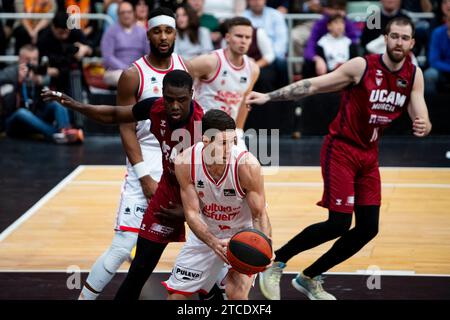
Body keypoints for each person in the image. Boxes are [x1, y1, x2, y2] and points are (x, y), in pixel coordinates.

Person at [246, 17, 432, 300]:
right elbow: (313, 85)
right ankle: (275, 262)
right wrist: (269, 97)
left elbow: (421, 114)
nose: (399, 42)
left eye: (405, 38)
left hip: (369, 156)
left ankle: (309, 277)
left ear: (412, 43)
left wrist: (424, 125)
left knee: (368, 228)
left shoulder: (413, 74)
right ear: (385, 37)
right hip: (341, 149)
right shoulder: (362, 66)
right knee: (339, 223)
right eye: (394, 36)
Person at [41, 70, 206, 300]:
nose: (175, 106)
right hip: (168, 191)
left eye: (181, 100)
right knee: (139, 269)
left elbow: (216, 182)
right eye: (169, 99)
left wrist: (190, 213)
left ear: (192, 94)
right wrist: (74, 104)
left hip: (201, 197)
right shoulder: (155, 107)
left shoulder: (204, 128)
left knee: (212, 279)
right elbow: (112, 114)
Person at [77, 7, 187, 300]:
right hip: (146, 159)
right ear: (147, 34)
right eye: (156, 31)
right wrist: (143, 176)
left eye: (168, 31)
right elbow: (125, 127)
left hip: (177, 162)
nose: (163, 37)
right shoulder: (132, 74)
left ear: (175, 34)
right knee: (124, 244)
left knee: (202, 238)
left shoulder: (184, 68)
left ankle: (221, 295)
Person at [163, 109, 272, 300]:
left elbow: (259, 214)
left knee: (236, 294)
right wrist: (214, 243)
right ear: (206, 142)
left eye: (233, 142)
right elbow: (192, 214)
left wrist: (266, 246)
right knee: (176, 298)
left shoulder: (247, 166)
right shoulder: (185, 162)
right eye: (223, 143)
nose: (229, 148)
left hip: (243, 235)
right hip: (207, 233)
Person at [185, 16, 260, 149]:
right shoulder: (210, 61)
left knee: (249, 167)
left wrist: (239, 131)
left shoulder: (253, 69)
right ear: (227, 37)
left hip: (229, 131)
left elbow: (245, 103)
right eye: (239, 36)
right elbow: (179, 77)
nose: (243, 41)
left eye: (247, 37)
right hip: (202, 129)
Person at [1, 44, 82, 143]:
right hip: (14, 121)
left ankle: (64, 130)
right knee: (22, 113)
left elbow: (44, 103)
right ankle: (62, 135)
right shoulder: (9, 73)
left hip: (35, 118)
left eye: (34, 59)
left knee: (57, 103)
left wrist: (40, 84)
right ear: (20, 59)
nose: (31, 63)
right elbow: (8, 106)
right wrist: (19, 82)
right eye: (27, 59)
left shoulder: (39, 73)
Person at [100, 1, 149, 86]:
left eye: (129, 12)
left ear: (133, 13)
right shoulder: (111, 32)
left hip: (139, 69)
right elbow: (108, 57)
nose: (126, 15)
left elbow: (148, 53)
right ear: (118, 15)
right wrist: (127, 68)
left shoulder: (142, 31)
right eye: (123, 12)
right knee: (126, 77)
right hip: (116, 71)